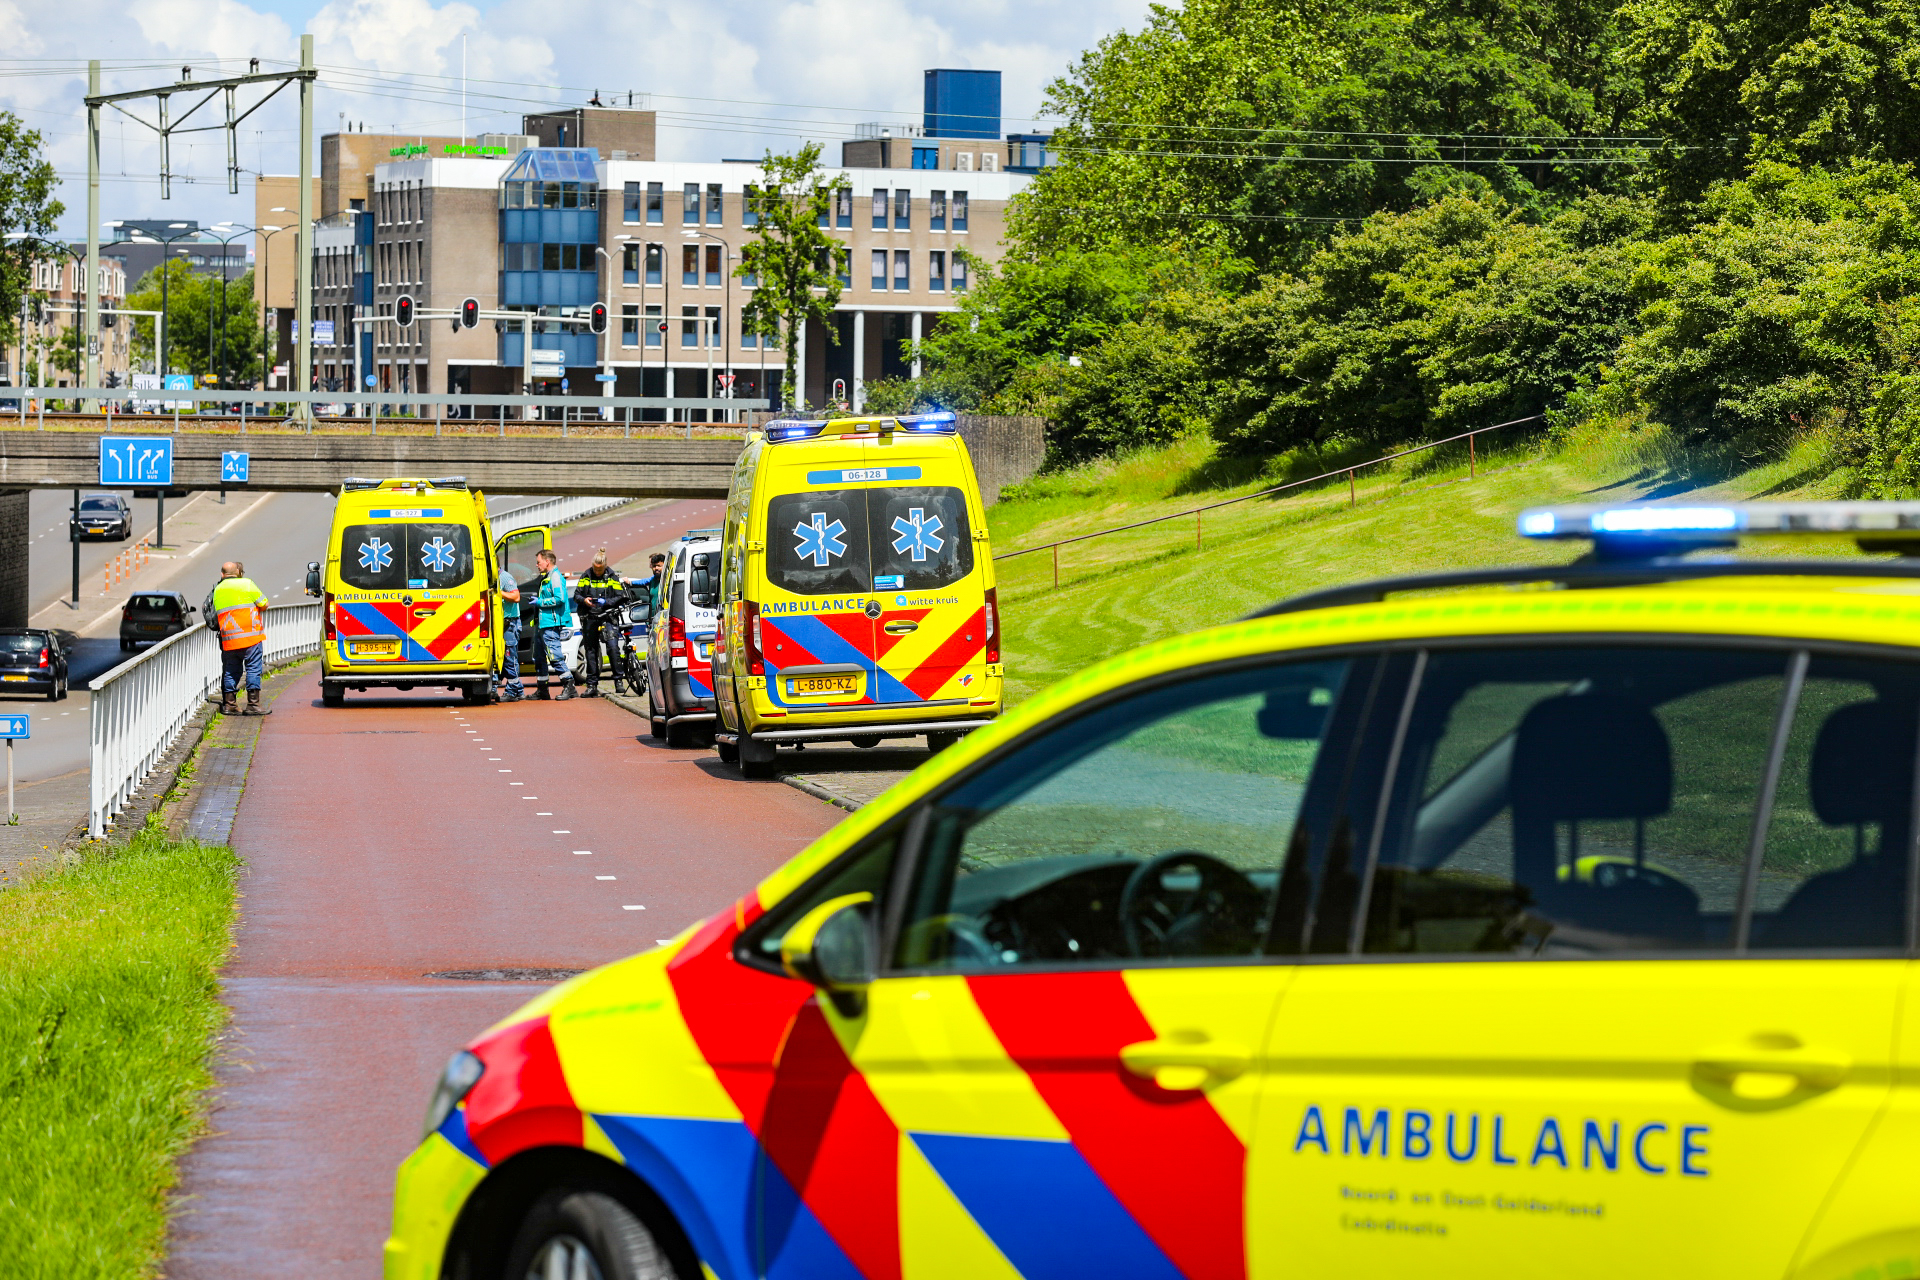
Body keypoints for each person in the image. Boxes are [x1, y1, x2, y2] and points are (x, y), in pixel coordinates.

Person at [206, 561, 272, 716]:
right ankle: (253, 704)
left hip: (228, 638)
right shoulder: (247, 584)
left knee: (230, 670)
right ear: (239, 572)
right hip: (250, 637)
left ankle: (229, 704)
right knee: (253, 669)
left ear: (222, 574)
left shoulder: (218, 589)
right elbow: (264, 604)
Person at [571, 549, 628, 697]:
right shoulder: (586, 576)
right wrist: (584, 600)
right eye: (595, 568)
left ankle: (619, 681)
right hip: (590, 617)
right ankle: (592, 685)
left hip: (608, 616)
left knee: (613, 648)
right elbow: (577, 594)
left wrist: (607, 602)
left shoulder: (612, 576)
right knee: (591, 651)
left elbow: (620, 596)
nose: (597, 571)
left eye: (600, 569)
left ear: (605, 566)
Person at [532, 547, 576, 700]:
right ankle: (542, 689)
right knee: (539, 657)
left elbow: (560, 599)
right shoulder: (549, 576)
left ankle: (569, 685)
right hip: (543, 624)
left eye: (539, 562)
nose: (537, 565)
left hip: (551, 623)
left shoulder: (555, 577)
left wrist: (540, 602)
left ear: (547, 561)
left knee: (555, 655)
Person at [496, 563, 525, 703]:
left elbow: (516, 597)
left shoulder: (505, 577)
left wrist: (498, 592)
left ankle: (512, 690)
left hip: (510, 622)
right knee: (502, 656)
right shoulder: (495, 578)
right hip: (500, 623)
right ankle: (518, 689)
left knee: (509, 657)